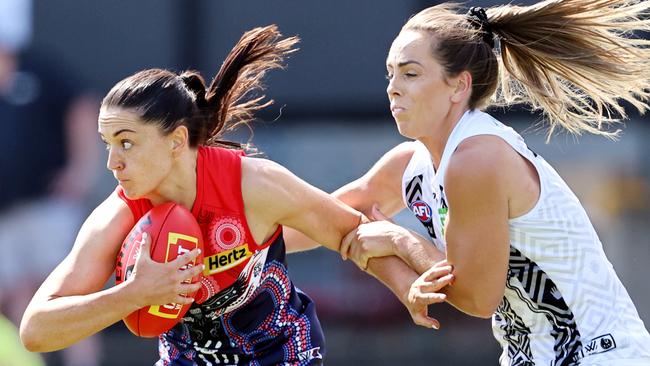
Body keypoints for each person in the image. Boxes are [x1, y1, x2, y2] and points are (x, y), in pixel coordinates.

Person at [19, 25, 452, 365]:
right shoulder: (119, 216)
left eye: (127, 142)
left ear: (176, 140)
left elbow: (349, 234)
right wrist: (133, 294)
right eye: (106, 143)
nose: (112, 162)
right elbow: (36, 329)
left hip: (281, 354)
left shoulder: (253, 183)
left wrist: (406, 287)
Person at [303, 1, 650, 365]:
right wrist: (250, 225)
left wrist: (397, 240)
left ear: (459, 85)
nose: (393, 88)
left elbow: (477, 297)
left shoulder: (476, 158)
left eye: (410, 74)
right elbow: (316, 216)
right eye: (390, 73)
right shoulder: (411, 164)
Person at [0, 0, 103, 365]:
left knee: (64, 294)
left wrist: (81, 170)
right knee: (17, 299)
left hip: (46, 208)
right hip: (5, 215)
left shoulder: (41, 68)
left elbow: (82, 106)